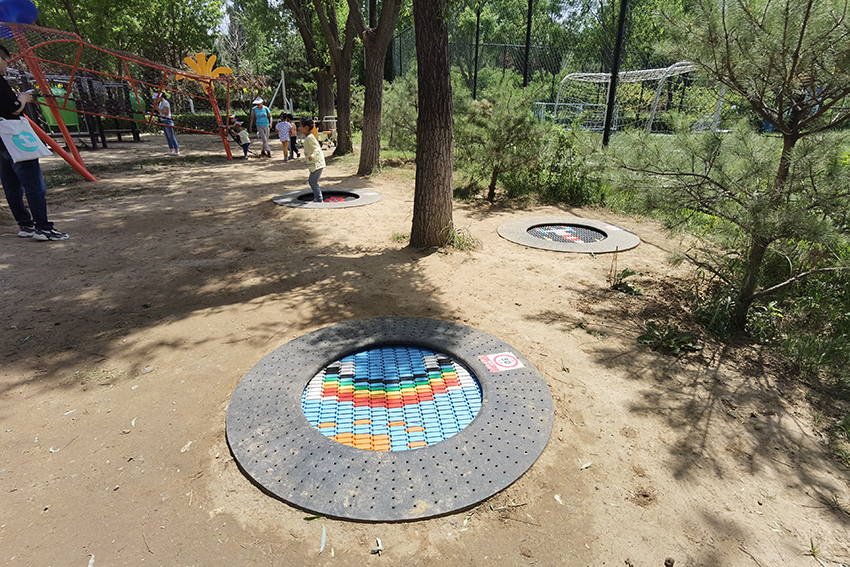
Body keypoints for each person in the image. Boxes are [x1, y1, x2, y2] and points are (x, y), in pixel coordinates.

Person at [0, 43, 69, 241]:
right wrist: (23, 98)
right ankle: (43, 227)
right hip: (14, 138)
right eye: (6, 61)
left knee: (11, 186)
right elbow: (14, 108)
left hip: (1, 143)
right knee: (33, 184)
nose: (7, 66)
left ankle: (25, 225)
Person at [300, 117, 325, 202]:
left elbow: (317, 148)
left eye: (300, 126)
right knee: (312, 181)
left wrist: (312, 155)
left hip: (317, 163)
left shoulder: (310, 137)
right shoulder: (308, 137)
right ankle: (317, 197)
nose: (299, 128)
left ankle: (319, 199)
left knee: (313, 182)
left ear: (306, 127)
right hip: (314, 164)